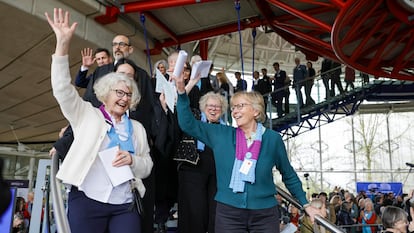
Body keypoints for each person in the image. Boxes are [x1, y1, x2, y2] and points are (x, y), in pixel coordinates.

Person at [45, 8, 153, 233]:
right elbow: (62, 89)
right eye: (119, 92)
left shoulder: (138, 129)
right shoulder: (87, 114)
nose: (124, 98)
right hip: (87, 200)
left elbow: (147, 167)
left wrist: (133, 160)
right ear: (105, 93)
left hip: (124, 204)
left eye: (128, 94)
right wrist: (62, 45)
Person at [173, 72, 321, 232]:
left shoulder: (272, 139)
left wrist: (305, 204)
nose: (235, 111)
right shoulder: (221, 135)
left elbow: (288, 174)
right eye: (233, 107)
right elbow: (188, 124)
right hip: (228, 213)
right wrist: (182, 93)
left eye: (240, 106)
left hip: (264, 215)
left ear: (256, 111)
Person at [176, 91, 227, 233]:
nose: (213, 109)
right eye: (210, 106)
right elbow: (180, 111)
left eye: (217, 107)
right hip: (193, 167)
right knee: (194, 210)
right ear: (203, 107)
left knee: (215, 210)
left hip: (217, 171)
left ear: (222, 110)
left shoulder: (225, 128)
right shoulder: (193, 118)